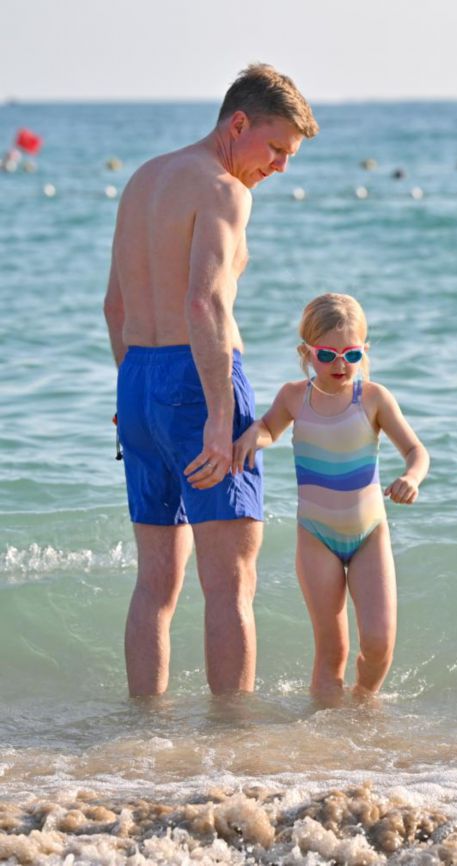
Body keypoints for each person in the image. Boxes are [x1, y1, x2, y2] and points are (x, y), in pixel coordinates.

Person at [103, 64, 319, 698]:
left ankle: (145, 734)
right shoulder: (224, 190)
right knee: (231, 584)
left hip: (136, 381)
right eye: (275, 148)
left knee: (156, 583)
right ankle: (230, 742)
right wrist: (221, 417)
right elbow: (205, 305)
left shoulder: (144, 180)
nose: (281, 166)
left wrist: (131, 392)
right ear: (238, 123)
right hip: (199, 382)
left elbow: (114, 306)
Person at [232, 293, 429, 702]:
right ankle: (324, 730)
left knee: (378, 642)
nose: (341, 364)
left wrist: (411, 477)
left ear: (364, 351)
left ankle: (362, 703)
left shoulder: (372, 398)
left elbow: (416, 451)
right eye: (327, 355)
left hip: (369, 534)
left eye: (351, 354)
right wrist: (254, 436)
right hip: (316, 537)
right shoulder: (294, 397)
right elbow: (269, 428)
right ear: (306, 353)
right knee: (332, 650)